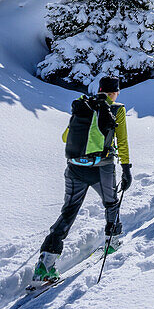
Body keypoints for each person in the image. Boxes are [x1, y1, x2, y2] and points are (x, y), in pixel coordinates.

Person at [33, 76, 131, 285]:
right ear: (114, 92)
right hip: (101, 168)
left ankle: (45, 262)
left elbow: (65, 137)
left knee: (68, 211)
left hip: (75, 168)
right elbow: (121, 141)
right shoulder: (117, 109)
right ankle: (112, 242)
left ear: (100, 89)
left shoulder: (83, 104)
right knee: (111, 203)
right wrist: (126, 167)